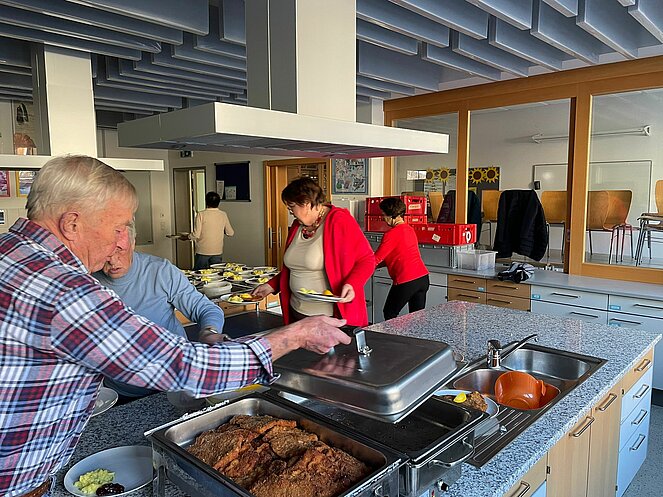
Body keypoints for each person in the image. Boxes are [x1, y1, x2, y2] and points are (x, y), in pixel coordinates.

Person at [0, 156, 350, 497]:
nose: (120, 241)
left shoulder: (12, 253)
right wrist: (294, 335)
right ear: (72, 224)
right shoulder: (64, 289)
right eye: (117, 226)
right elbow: (183, 365)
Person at [93, 223, 225, 400]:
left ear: (133, 242)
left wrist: (209, 331)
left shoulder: (160, 271)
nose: (113, 260)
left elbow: (205, 308)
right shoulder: (88, 281)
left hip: (174, 385)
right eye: (105, 252)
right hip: (121, 393)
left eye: (119, 250)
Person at [253, 177, 374, 326]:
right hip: (296, 311)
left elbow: (367, 259)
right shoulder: (297, 226)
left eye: (292, 206)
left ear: (306, 203)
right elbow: (295, 268)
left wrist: (352, 284)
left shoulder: (339, 221)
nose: (290, 211)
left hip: (328, 318)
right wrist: (271, 285)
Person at [374, 197, 429, 320]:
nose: (383, 218)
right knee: (417, 319)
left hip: (406, 280)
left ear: (391, 215)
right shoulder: (409, 229)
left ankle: (396, 334)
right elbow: (398, 255)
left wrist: (356, 267)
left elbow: (376, 259)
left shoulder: (391, 234)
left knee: (389, 313)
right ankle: (410, 333)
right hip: (422, 279)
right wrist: (377, 265)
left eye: (384, 215)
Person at [182, 191, 234, 270]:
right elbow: (230, 233)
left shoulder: (201, 214)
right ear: (218, 202)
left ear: (206, 201)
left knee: (200, 274)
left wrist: (186, 237)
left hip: (202, 251)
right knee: (215, 274)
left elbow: (196, 235)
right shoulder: (223, 214)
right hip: (217, 251)